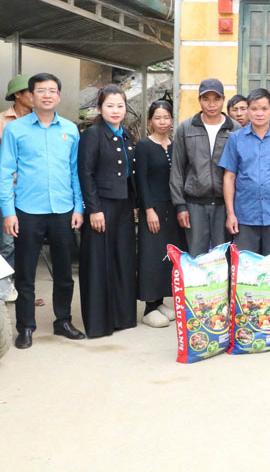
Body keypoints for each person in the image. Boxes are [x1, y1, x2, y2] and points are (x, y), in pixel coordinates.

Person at [0, 73, 84, 348]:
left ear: (59, 96)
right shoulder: (15, 129)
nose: (47, 95)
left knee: (64, 272)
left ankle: (63, 321)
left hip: (63, 209)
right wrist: (8, 211)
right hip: (27, 210)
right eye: (41, 90)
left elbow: (75, 172)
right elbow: (5, 172)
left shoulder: (70, 130)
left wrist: (78, 207)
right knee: (25, 273)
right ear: (31, 96)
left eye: (52, 90)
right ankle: (25, 327)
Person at [78, 84, 138, 338]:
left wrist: (135, 204)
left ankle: (122, 317)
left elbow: (130, 174)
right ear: (100, 108)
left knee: (123, 260)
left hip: (124, 205)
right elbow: (86, 173)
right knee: (98, 262)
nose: (115, 110)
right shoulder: (93, 134)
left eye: (120, 106)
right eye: (110, 105)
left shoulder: (126, 134)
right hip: (101, 205)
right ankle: (99, 323)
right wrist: (93, 209)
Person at [219, 89, 270, 254]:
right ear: (248, 110)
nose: (259, 113)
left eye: (264, 109)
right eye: (254, 109)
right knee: (246, 265)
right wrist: (230, 214)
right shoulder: (236, 139)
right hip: (245, 215)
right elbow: (229, 177)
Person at [170, 78, 239, 257]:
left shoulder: (235, 129)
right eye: (206, 99)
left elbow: (240, 170)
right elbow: (177, 169)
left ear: (223, 100)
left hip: (225, 205)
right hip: (194, 204)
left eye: (216, 99)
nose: (212, 104)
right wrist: (180, 205)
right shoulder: (186, 128)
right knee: (196, 256)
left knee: (223, 257)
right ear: (199, 100)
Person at [136, 100, 187, 328]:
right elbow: (141, 181)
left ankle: (160, 302)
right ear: (150, 121)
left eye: (166, 117)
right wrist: (148, 210)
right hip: (153, 209)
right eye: (157, 118)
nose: (162, 122)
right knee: (151, 256)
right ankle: (149, 306)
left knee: (169, 256)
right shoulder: (144, 146)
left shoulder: (175, 145)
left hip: (173, 207)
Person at [0, 74, 33, 275]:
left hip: (31, 192)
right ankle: (5, 286)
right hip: (8, 190)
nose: (35, 96)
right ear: (17, 94)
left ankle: (21, 284)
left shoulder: (39, 121)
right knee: (7, 243)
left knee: (28, 241)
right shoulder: (2, 121)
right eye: (30, 92)